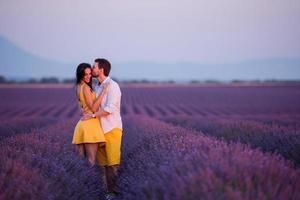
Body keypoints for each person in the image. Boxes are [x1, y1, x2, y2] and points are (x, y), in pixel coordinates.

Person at [81, 58, 123, 196]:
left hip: (112, 129)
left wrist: (92, 116)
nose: (92, 70)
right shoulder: (97, 86)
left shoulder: (113, 86)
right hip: (99, 131)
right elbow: (94, 106)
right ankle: (107, 194)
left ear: (101, 70)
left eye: (94, 67)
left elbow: (110, 109)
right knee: (103, 166)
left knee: (113, 164)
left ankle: (114, 194)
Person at [72, 63, 109, 166]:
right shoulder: (86, 88)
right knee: (91, 162)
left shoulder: (78, 87)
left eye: (89, 74)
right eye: (85, 74)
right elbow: (93, 108)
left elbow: (81, 108)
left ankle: (80, 182)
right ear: (80, 75)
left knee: (80, 164)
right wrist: (103, 92)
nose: (88, 76)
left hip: (81, 126)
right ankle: (88, 182)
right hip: (90, 126)